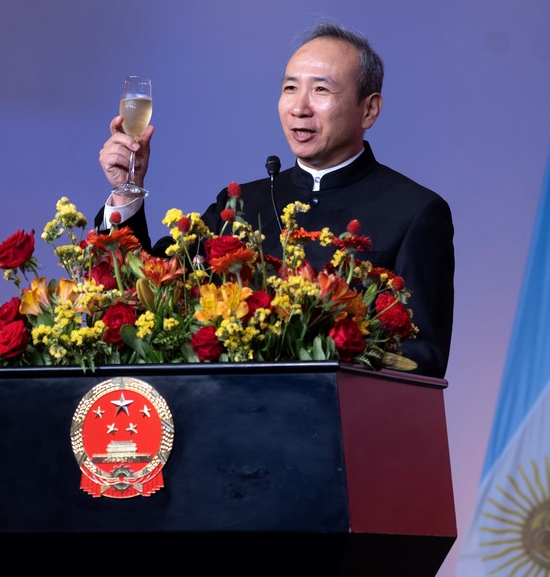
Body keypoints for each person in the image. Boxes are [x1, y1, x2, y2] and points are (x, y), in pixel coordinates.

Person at [95, 24, 454, 378]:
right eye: (290, 88)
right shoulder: (238, 203)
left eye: (321, 90)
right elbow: (149, 292)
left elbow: (421, 358)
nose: (300, 107)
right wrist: (128, 188)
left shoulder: (414, 211)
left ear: (369, 110)